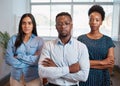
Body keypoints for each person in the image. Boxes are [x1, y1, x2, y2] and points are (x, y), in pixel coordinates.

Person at [38, 12, 90, 86]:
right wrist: (69, 69)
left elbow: (84, 76)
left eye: (66, 23)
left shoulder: (81, 47)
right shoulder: (48, 46)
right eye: (59, 24)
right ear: (56, 26)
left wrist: (56, 68)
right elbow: (42, 72)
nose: (63, 26)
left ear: (71, 25)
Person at [77, 5, 115, 86]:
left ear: (101, 22)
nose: (94, 22)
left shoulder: (108, 40)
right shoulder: (81, 39)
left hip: (103, 78)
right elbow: (78, 63)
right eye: (91, 19)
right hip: (85, 78)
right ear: (88, 21)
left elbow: (110, 64)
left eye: (97, 20)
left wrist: (87, 64)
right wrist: (102, 63)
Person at [5, 13, 44, 86]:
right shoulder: (13, 39)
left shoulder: (39, 40)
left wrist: (19, 56)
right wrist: (29, 62)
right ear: (20, 25)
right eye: (24, 23)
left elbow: (39, 60)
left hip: (33, 78)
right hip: (16, 78)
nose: (26, 26)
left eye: (29, 23)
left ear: (33, 25)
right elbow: (8, 59)